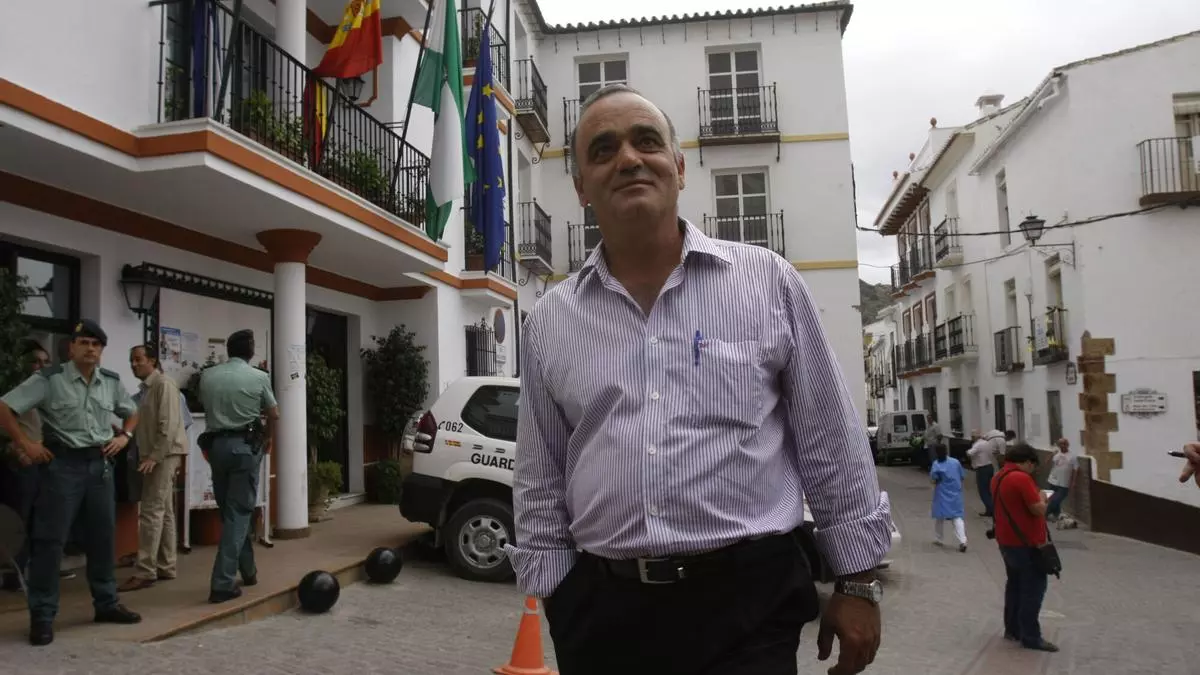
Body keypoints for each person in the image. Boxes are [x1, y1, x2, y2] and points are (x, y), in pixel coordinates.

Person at [509, 84, 891, 675]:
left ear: (679, 167)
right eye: (603, 149)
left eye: (646, 141)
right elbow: (541, 471)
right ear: (582, 187)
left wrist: (858, 581)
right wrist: (559, 596)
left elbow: (829, 439)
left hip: (748, 607)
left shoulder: (768, 283)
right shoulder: (551, 321)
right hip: (604, 616)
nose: (628, 159)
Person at [0, 320, 142, 646]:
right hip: (62, 467)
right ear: (71, 347)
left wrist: (125, 436)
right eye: (84, 343)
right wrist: (25, 443)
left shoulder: (110, 382)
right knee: (50, 542)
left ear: (101, 350)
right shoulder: (50, 380)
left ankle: (106, 603)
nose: (90, 349)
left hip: (99, 466)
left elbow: (131, 411)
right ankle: (42, 615)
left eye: (96, 344)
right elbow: (4, 407)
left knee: (102, 538)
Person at [198, 329, 278, 604]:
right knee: (240, 512)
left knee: (230, 512)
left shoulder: (208, 375)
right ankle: (222, 582)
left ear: (229, 350)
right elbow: (274, 413)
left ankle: (249, 570)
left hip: (216, 448)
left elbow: (205, 404)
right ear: (251, 351)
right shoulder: (259, 376)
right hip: (245, 448)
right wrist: (268, 439)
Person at [118, 345, 188, 592]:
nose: (134, 364)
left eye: (139, 360)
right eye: (131, 360)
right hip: (157, 454)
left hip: (162, 455)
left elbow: (167, 426)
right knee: (164, 510)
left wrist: (154, 457)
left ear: (153, 361)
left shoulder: (163, 384)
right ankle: (166, 565)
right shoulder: (147, 389)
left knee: (151, 511)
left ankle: (145, 570)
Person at [991, 443, 1057, 653]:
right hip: (1026, 543)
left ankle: (1012, 629)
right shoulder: (1020, 478)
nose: (1033, 470)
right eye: (1033, 466)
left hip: (1007, 540)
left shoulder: (998, 477)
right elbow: (1038, 509)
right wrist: (1043, 497)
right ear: (1028, 462)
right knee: (1033, 589)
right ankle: (1030, 636)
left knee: (1015, 585)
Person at [930, 446, 967, 552]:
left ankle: (939, 538)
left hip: (942, 493)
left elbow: (933, 479)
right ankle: (963, 540)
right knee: (957, 517)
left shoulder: (936, 464)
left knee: (939, 517)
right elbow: (962, 476)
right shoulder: (955, 462)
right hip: (955, 493)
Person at [967, 429, 1007, 517]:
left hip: (982, 469)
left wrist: (967, 453)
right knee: (989, 490)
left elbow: (970, 453)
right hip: (989, 467)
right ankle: (992, 509)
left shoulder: (978, 444)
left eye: (972, 436)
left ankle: (991, 510)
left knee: (983, 491)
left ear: (974, 437)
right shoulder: (987, 443)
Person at [1045, 438, 1077, 520]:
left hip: (1064, 482)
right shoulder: (1056, 454)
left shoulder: (1072, 456)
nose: (1062, 445)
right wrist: (1052, 454)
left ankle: (1044, 514)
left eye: (1064, 444)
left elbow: (1075, 469)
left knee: (1056, 500)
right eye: (1060, 444)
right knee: (1053, 499)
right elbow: (1046, 462)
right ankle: (1057, 515)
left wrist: (1073, 482)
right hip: (1052, 480)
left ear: (1067, 445)